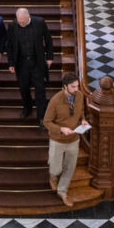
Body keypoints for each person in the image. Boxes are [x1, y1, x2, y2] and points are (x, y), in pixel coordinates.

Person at [44, 72, 88, 207]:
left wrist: (83, 120)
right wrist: (61, 129)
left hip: (74, 138)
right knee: (56, 169)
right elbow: (47, 122)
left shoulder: (79, 95)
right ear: (64, 87)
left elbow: (81, 110)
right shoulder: (55, 101)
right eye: (73, 87)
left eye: (77, 86)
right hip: (58, 140)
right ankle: (52, 175)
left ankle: (62, 191)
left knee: (70, 167)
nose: (76, 89)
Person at [5, 7, 54, 126]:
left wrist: (49, 57)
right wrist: (11, 63)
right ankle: (27, 108)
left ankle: (42, 116)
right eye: (19, 22)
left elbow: (48, 40)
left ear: (29, 17)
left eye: (23, 21)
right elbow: (9, 45)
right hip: (21, 63)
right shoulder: (13, 25)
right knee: (23, 88)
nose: (21, 24)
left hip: (37, 62)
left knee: (40, 90)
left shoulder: (39, 22)